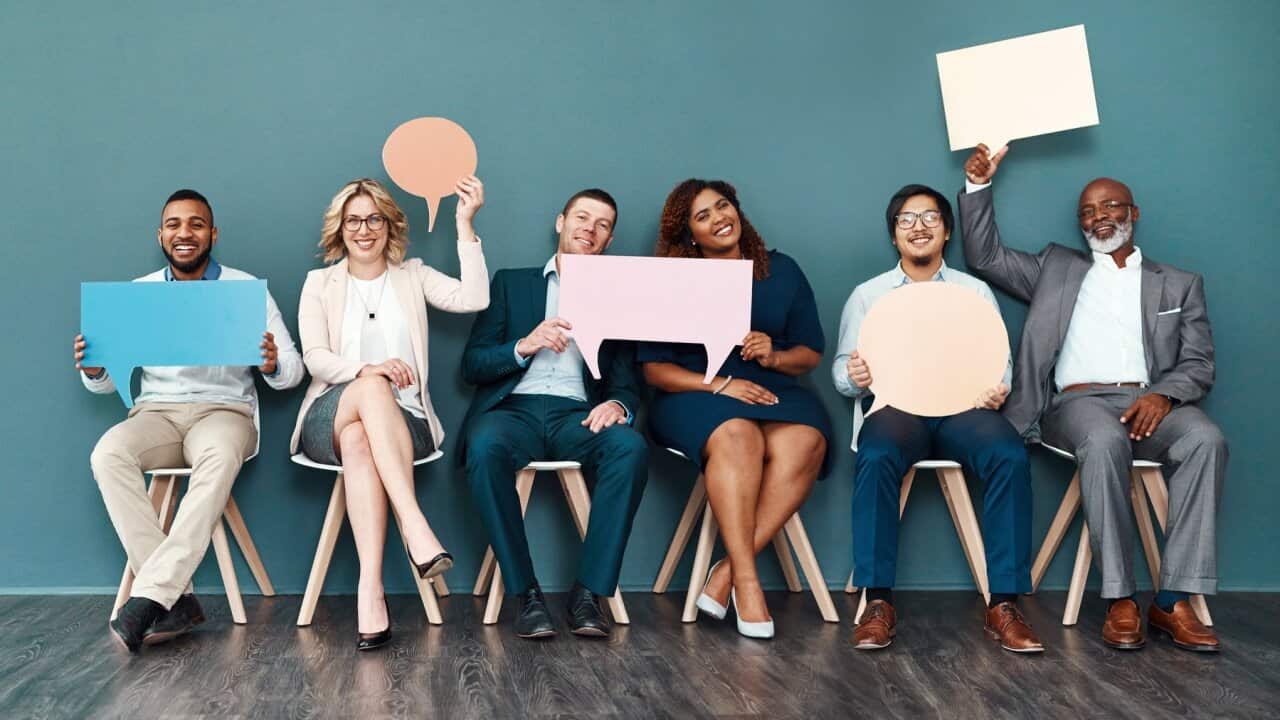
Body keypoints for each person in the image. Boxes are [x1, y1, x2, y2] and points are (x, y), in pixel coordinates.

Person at [960, 144, 1225, 652]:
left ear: (1133, 213)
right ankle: (1120, 599)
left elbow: (1199, 363)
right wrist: (978, 184)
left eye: (1109, 206)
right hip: (1077, 405)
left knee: (1206, 440)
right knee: (1104, 441)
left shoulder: (1180, 284)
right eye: (1087, 211)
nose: (1098, 216)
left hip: (1151, 403)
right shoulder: (1055, 268)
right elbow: (985, 256)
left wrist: (1163, 396)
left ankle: (1172, 600)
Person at [77, 189, 304, 653]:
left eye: (196, 224)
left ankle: (152, 596)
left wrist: (271, 363)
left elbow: (293, 373)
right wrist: (95, 369)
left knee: (218, 454)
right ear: (160, 235)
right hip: (156, 412)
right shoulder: (140, 292)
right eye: (174, 224)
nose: (185, 233)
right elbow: (106, 382)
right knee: (108, 453)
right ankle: (174, 596)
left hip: (225, 411)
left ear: (212, 234)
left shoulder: (245, 289)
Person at [833, 184, 1042, 653]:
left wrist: (996, 389)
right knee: (877, 453)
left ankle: (1004, 604)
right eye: (906, 219)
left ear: (947, 231)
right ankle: (877, 602)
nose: (919, 227)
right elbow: (842, 373)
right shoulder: (868, 295)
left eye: (930, 217)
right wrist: (854, 375)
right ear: (894, 235)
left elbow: (999, 360)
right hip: (897, 410)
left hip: (964, 410)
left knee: (1009, 454)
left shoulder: (974, 291)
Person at [292, 176, 489, 650]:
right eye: (353, 221)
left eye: (374, 219)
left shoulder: (412, 275)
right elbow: (315, 358)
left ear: (390, 225)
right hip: (329, 417)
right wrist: (369, 370)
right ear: (340, 228)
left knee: (361, 440)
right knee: (370, 389)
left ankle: (370, 592)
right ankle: (415, 526)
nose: (364, 230)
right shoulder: (320, 283)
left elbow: (475, 299)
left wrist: (465, 224)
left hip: (407, 424)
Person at [639, 179, 831, 640]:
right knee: (738, 433)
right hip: (694, 393)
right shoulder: (671, 281)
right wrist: (723, 386)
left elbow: (810, 353)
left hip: (770, 387)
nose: (718, 218)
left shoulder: (782, 270)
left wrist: (774, 356)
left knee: (807, 439)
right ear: (689, 234)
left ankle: (724, 572)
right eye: (702, 216)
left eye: (722, 206)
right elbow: (655, 370)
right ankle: (747, 582)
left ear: (737, 210)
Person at [459, 188, 647, 640]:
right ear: (561, 222)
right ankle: (525, 595)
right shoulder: (512, 283)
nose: (590, 229)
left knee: (630, 447)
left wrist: (617, 405)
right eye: (582, 218)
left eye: (602, 225)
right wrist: (524, 345)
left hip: (578, 415)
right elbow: (472, 365)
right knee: (483, 445)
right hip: (512, 411)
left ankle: (589, 594)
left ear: (609, 240)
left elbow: (625, 379)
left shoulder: (619, 295)